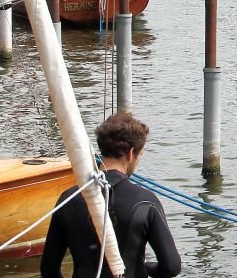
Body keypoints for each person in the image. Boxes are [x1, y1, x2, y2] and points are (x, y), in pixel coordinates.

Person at [40, 113, 181, 278]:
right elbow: (171, 266)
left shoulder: (69, 198)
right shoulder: (146, 200)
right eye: (140, 155)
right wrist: (146, 267)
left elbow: (48, 269)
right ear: (131, 153)